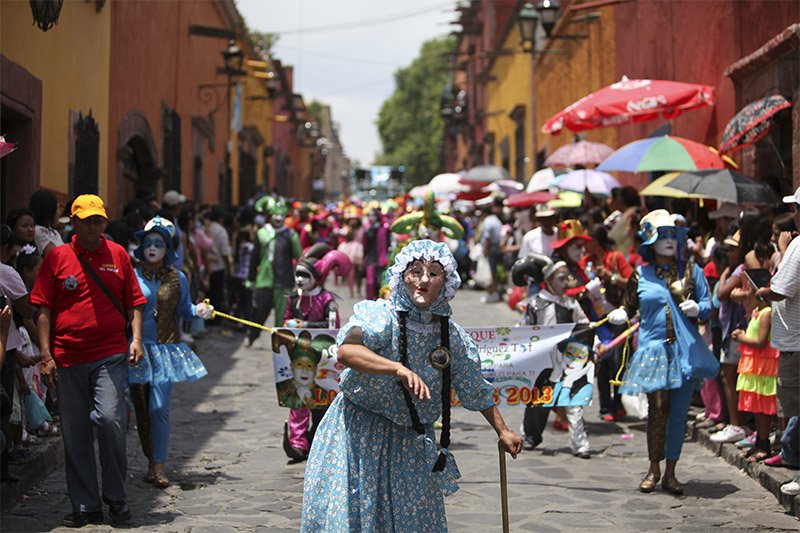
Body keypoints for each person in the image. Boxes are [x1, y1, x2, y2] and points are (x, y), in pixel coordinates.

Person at [301, 240, 522, 531]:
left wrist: (503, 430)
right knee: (361, 515)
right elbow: (347, 352)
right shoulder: (382, 317)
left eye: (433, 273)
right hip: (361, 431)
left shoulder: (451, 337)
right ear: (402, 277)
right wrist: (397, 368)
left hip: (411, 440)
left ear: (446, 282)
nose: (423, 280)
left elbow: (474, 387)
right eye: (415, 271)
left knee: (412, 519)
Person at [31, 194, 147, 527]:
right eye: (87, 221)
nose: (94, 226)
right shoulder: (57, 258)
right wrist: (45, 354)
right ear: (74, 222)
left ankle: (116, 495)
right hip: (67, 356)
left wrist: (136, 339)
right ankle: (85, 504)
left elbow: (133, 302)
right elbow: (43, 308)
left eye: (99, 221)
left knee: (111, 420)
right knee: (75, 431)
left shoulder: (118, 255)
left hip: (109, 353)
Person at [608, 209, 719, 495]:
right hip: (653, 351)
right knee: (657, 412)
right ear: (650, 242)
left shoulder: (692, 271)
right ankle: (653, 469)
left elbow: (708, 305)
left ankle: (670, 472)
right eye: (663, 235)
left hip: (684, 353)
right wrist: (620, 313)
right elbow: (629, 306)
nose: (669, 241)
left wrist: (699, 309)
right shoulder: (639, 275)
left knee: (679, 414)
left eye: (673, 235)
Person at [128, 216, 213, 489]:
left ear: (167, 249)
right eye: (148, 242)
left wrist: (200, 311)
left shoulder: (178, 278)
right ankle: (150, 462)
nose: (153, 248)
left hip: (165, 351)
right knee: (140, 410)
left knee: (159, 409)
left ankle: (159, 466)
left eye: (159, 243)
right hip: (137, 350)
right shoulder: (132, 275)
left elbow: (185, 309)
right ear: (141, 246)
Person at [511, 253, 591, 456]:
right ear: (548, 280)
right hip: (543, 361)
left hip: (570, 359)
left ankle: (580, 444)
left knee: (574, 401)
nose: (566, 283)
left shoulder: (571, 303)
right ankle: (530, 436)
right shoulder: (535, 303)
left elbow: (585, 325)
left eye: (567, 278)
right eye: (561, 278)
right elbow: (523, 328)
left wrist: (596, 344)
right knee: (538, 399)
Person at [281, 243, 351, 461]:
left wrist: (305, 325)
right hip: (298, 356)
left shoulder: (327, 300)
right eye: (297, 275)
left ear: (315, 277)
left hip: (322, 357)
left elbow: (333, 327)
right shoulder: (293, 298)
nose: (300, 280)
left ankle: (318, 441)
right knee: (299, 401)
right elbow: (285, 322)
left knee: (321, 403)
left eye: (304, 275)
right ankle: (297, 443)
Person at [756, 186, 800, 495]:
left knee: (795, 409)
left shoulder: (797, 247)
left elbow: (781, 289)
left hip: (796, 343)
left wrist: (761, 291)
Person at [731, 276, 778, 463]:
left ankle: (765, 443)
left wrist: (741, 338)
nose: (745, 291)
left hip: (763, 367)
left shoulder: (766, 312)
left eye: (749, 288)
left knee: (764, 409)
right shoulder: (756, 311)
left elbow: (760, 342)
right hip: (755, 366)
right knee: (756, 408)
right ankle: (759, 441)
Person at [247, 196, 302, 346]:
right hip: (264, 280)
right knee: (259, 311)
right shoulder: (261, 233)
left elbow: (299, 258)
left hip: (284, 281)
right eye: (274, 214)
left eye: (281, 215)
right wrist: (251, 278)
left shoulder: (291, 235)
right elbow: (254, 257)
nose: (278, 218)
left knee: (282, 316)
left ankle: (280, 343)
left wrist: (302, 279)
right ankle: (251, 336)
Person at [480, 198, 505, 303]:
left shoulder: (488, 221)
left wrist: (485, 250)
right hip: (497, 248)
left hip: (492, 249)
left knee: (491, 273)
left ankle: (493, 294)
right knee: (495, 273)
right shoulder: (496, 220)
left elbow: (487, 238)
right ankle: (495, 293)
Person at [29, 190, 64, 257]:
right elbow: (57, 256)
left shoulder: (54, 232)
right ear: (48, 211)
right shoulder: (38, 231)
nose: (59, 213)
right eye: (56, 209)